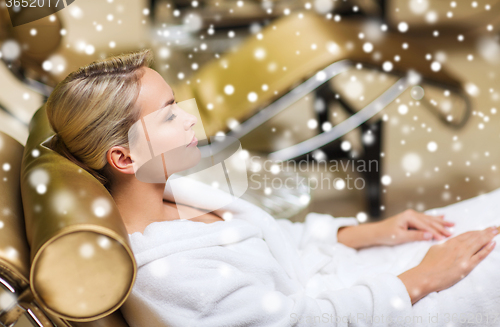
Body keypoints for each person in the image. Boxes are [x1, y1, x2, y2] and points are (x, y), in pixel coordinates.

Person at [46, 49, 499, 326]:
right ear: (124, 158)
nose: (191, 117)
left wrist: (370, 231)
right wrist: (423, 278)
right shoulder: (172, 279)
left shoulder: (169, 193)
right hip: (375, 308)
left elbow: (273, 240)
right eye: (168, 114)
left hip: (348, 281)